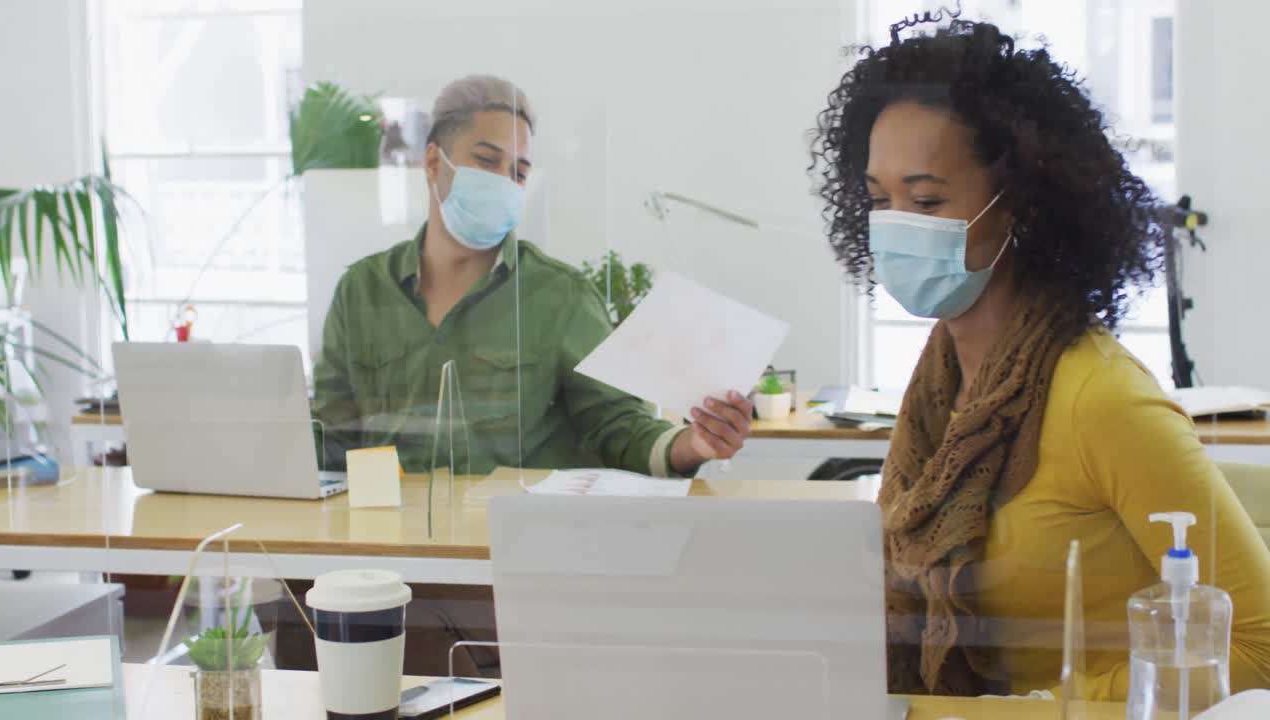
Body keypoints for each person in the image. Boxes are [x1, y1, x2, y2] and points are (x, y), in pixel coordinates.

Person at [810, 19, 1270, 698]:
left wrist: (1042, 709)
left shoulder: (1102, 399)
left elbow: (1257, 646)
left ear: (1020, 205)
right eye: (879, 200)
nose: (895, 223)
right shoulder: (940, 391)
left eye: (927, 198)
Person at [279, 75, 755, 677]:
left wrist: (692, 443)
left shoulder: (559, 295)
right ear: (434, 162)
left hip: (512, 571)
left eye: (520, 170)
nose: (505, 182)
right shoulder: (362, 291)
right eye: (487, 161)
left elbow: (618, 425)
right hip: (386, 565)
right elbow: (333, 436)